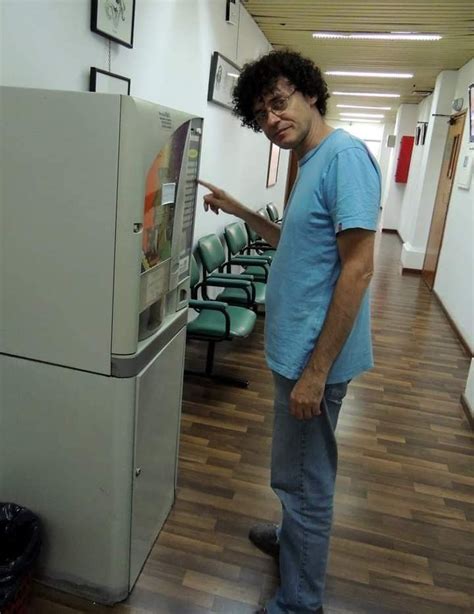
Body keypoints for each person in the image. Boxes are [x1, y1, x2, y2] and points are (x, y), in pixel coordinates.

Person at [198, 50, 381, 614]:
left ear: (309, 94)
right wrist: (240, 210)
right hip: (294, 352)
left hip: (312, 362)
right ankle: (290, 541)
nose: (273, 119)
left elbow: (358, 267)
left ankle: (299, 603)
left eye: (279, 102)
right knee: (295, 471)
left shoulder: (345, 157)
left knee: (305, 482)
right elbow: (294, 243)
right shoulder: (311, 158)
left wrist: (317, 373)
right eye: (261, 114)